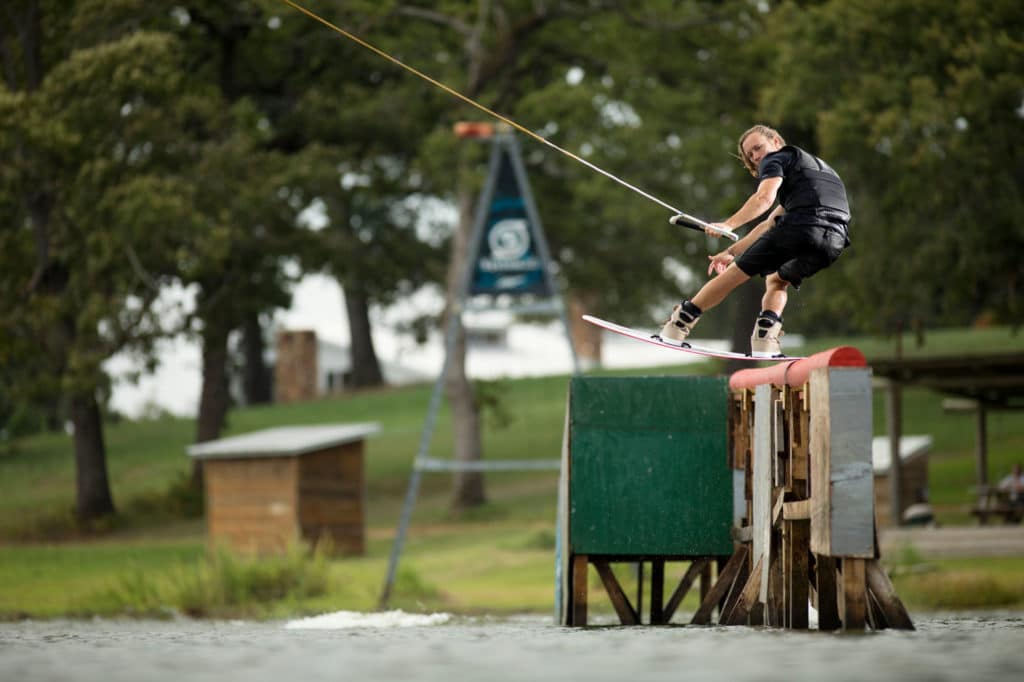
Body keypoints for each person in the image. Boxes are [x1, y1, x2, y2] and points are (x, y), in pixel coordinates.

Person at [658, 124, 851, 357]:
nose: (757, 157)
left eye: (758, 148)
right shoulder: (813, 172)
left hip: (802, 227)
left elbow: (763, 198)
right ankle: (765, 341)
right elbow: (769, 223)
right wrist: (731, 252)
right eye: (751, 155)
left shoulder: (776, 158)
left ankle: (679, 324)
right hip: (834, 241)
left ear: (776, 142)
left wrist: (728, 224)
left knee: (734, 275)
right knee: (777, 280)